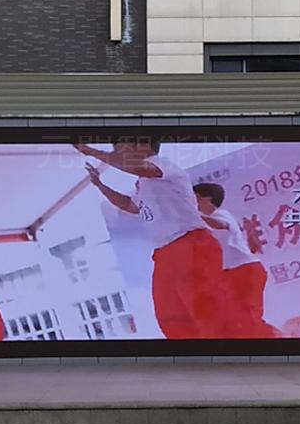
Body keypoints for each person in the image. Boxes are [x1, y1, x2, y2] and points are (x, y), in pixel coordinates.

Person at [76, 140, 234, 339]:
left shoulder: (163, 164)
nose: (118, 153)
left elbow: (135, 167)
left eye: (122, 147)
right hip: (164, 252)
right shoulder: (144, 183)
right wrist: (100, 185)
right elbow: (129, 206)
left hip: (190, 243)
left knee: (202, 310)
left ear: (143, 145)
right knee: (170, 316)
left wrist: (91, 151)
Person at [194, 182, 270, 335]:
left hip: (244, 270)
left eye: (194, 197)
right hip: (231, 273)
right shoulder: (201, 223)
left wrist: (194, 214)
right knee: (238, 318)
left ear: (207, 199)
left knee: (248, 318)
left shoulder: (220, 214)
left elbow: (221, 225)